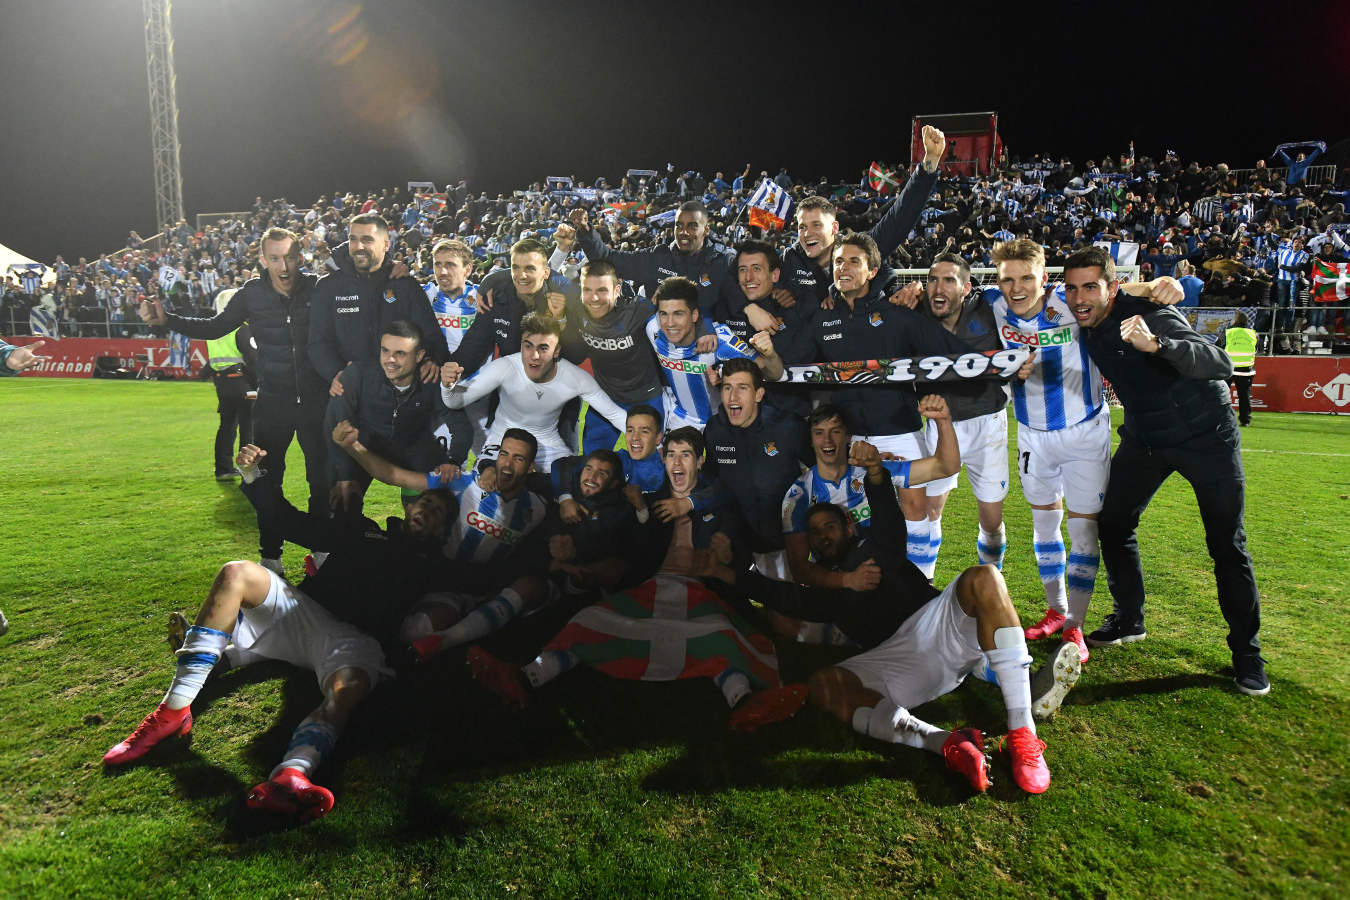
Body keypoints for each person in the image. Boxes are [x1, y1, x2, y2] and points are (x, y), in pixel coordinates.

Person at [99, 443, 444, 821]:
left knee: (348, 690)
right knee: (237, 573)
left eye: (438, 512)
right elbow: (290, 522)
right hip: (304, 614)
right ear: (408, 505)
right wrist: (252, 476)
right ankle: (173, 711)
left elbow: (491, 582)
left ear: (443, 530)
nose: (426, 510)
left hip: (354, 641)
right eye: (424, 503)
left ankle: (291, 775)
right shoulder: (361, 530)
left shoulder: (439, 568)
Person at [465, 427, 805, 732]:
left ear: (699, 462)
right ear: (663, 458)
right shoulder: (648, 503)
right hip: (650, 590)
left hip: (701, 592)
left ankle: (744, 703)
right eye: (671, 454)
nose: (677, 462)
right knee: (588, 621)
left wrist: (728, 551)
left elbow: (734, 541)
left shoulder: (719, 501)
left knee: (721, 634)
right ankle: (525, 677)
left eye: (685, 455)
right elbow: (627, 546)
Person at [798, 437, 1059, 794]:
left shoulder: (876, 546)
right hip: (895, 660)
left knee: (984, 577)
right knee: (821, 684)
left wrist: (875, 473)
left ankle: (1022, 732)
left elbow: (889, 520)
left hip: (935, 625)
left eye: (829, 525)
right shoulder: (821, 585)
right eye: (814, 533)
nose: (822, 535)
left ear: (848, 524)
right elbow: (782, 601)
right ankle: (948, 742)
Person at [1071, 247, 1267, 695]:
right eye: (1072, 288)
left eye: (1090, 286)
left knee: (1226, 543)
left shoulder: (1147, 314)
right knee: (1115, 521)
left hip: (1206, 437)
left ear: (1112, 288)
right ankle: (1129, 618)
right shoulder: (1082, 315)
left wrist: (1157, 344)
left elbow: (1219, 362)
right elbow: (1030, 292)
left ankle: (1248, 655)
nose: (1079, 298)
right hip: (1146, 440)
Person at [986, 238, 1181, 663]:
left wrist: (1158, 284)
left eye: (1027, 278)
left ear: (1045, 279)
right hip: (1033, 435)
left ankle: (1074, 625)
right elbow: (946, 298)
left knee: (1082, 531)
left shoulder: (1070, 305)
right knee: (1043, 529)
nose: (1017, 288)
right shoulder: (992, 306)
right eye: (1007, 279)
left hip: (1085, 433)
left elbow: (1118, 290)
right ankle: (1056, 611)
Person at [140, 227, 329, 576]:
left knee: (321, 481)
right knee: (267, 479)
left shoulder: (319, 287)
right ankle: (271, 557)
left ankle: (321, 552)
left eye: (289, 256)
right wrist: (168, 320)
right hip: (273, 403)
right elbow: (215, 327)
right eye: (274, 258)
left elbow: (355, 300)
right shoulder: (251, 294)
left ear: (300, 257)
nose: (283, 265)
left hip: (317, 403)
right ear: (262, 259)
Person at [916, 253, 1011, 578]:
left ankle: (991, 584)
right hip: (940, 427)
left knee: (991, 521)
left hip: (987, 425)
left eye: (948, 280)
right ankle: (924, 586)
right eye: (932, 279)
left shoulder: (990, 307)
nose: (937, 288)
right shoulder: (915, 311)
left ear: (966, 287)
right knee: (928, 510)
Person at [440, 312, 628, 470]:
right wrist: (447, 386)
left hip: (547, 446)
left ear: (556, 351)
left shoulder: (575, 378)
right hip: (502, 441)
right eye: (528, 346)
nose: (534, 356)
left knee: (572, 489)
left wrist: (651, 439)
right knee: (486, 489)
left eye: (543, 348)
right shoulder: (505, 367)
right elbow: (455, 401)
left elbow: (614, 414)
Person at [328, 321, 469, 520]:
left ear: (419, 356)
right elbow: (335, 425)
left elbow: (461, 427)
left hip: (414, 452)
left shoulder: (432, 380)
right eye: (385, 351)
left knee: (428, 513)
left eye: (400, 353)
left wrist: (453, 461)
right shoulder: (357, 374)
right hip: (365, 447)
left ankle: (420, 547)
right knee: (342, 500)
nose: (390, 359)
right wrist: (344, 475)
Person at [308, 213, 448, 395]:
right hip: (349, 392)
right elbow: (318, 343)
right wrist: (337, 373)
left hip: (400, 395)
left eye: (367, 240)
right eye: (353, 239)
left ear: (386, 244)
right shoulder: (328, 286)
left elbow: (430, 335)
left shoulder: (405, 285)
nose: (359, 247)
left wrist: (432, 359)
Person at [646, 276, 783, 431]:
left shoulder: (722, 342)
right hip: (680, 420)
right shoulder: (653, 328)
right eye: (664, 314)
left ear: (694, 315)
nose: (669, 323)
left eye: (678, 314)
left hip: (720, 424)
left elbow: (774, 374)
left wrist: (770, 355)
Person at [570, 200, 736, 319]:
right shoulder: (657, 257)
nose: (683, 232)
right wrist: (585, 231)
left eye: (692, 226)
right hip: (660, 353)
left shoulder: (722, 262)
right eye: (679, 225)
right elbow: (607, 259)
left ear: (706, 230)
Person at [424, 238, 489, 455]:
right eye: (437, 264)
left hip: (478, 392)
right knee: (443, 463)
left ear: (467, 269)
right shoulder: (427, 296)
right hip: (439, 391)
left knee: (489, 459)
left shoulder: (482, 297)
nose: (442, 271)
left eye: (450, 264)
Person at [201, 287, 258, 481]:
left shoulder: (213, 329)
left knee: (226, 427)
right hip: (241, 381)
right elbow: (252, 358)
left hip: (222, 384)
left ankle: (223, 468)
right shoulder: (241, 327)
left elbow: (211, 361)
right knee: (248, 427)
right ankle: (248, 472)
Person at [1219, 311, 1257, 426]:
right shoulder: (1253, 334)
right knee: (1244, 396)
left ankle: (1222, 419)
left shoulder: (1228, 332)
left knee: (1222, 394)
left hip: (1228, 368)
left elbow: (1219, 347)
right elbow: (1255, 349)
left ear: (1235, 320)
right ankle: (1245, 420)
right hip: (1246, 370)